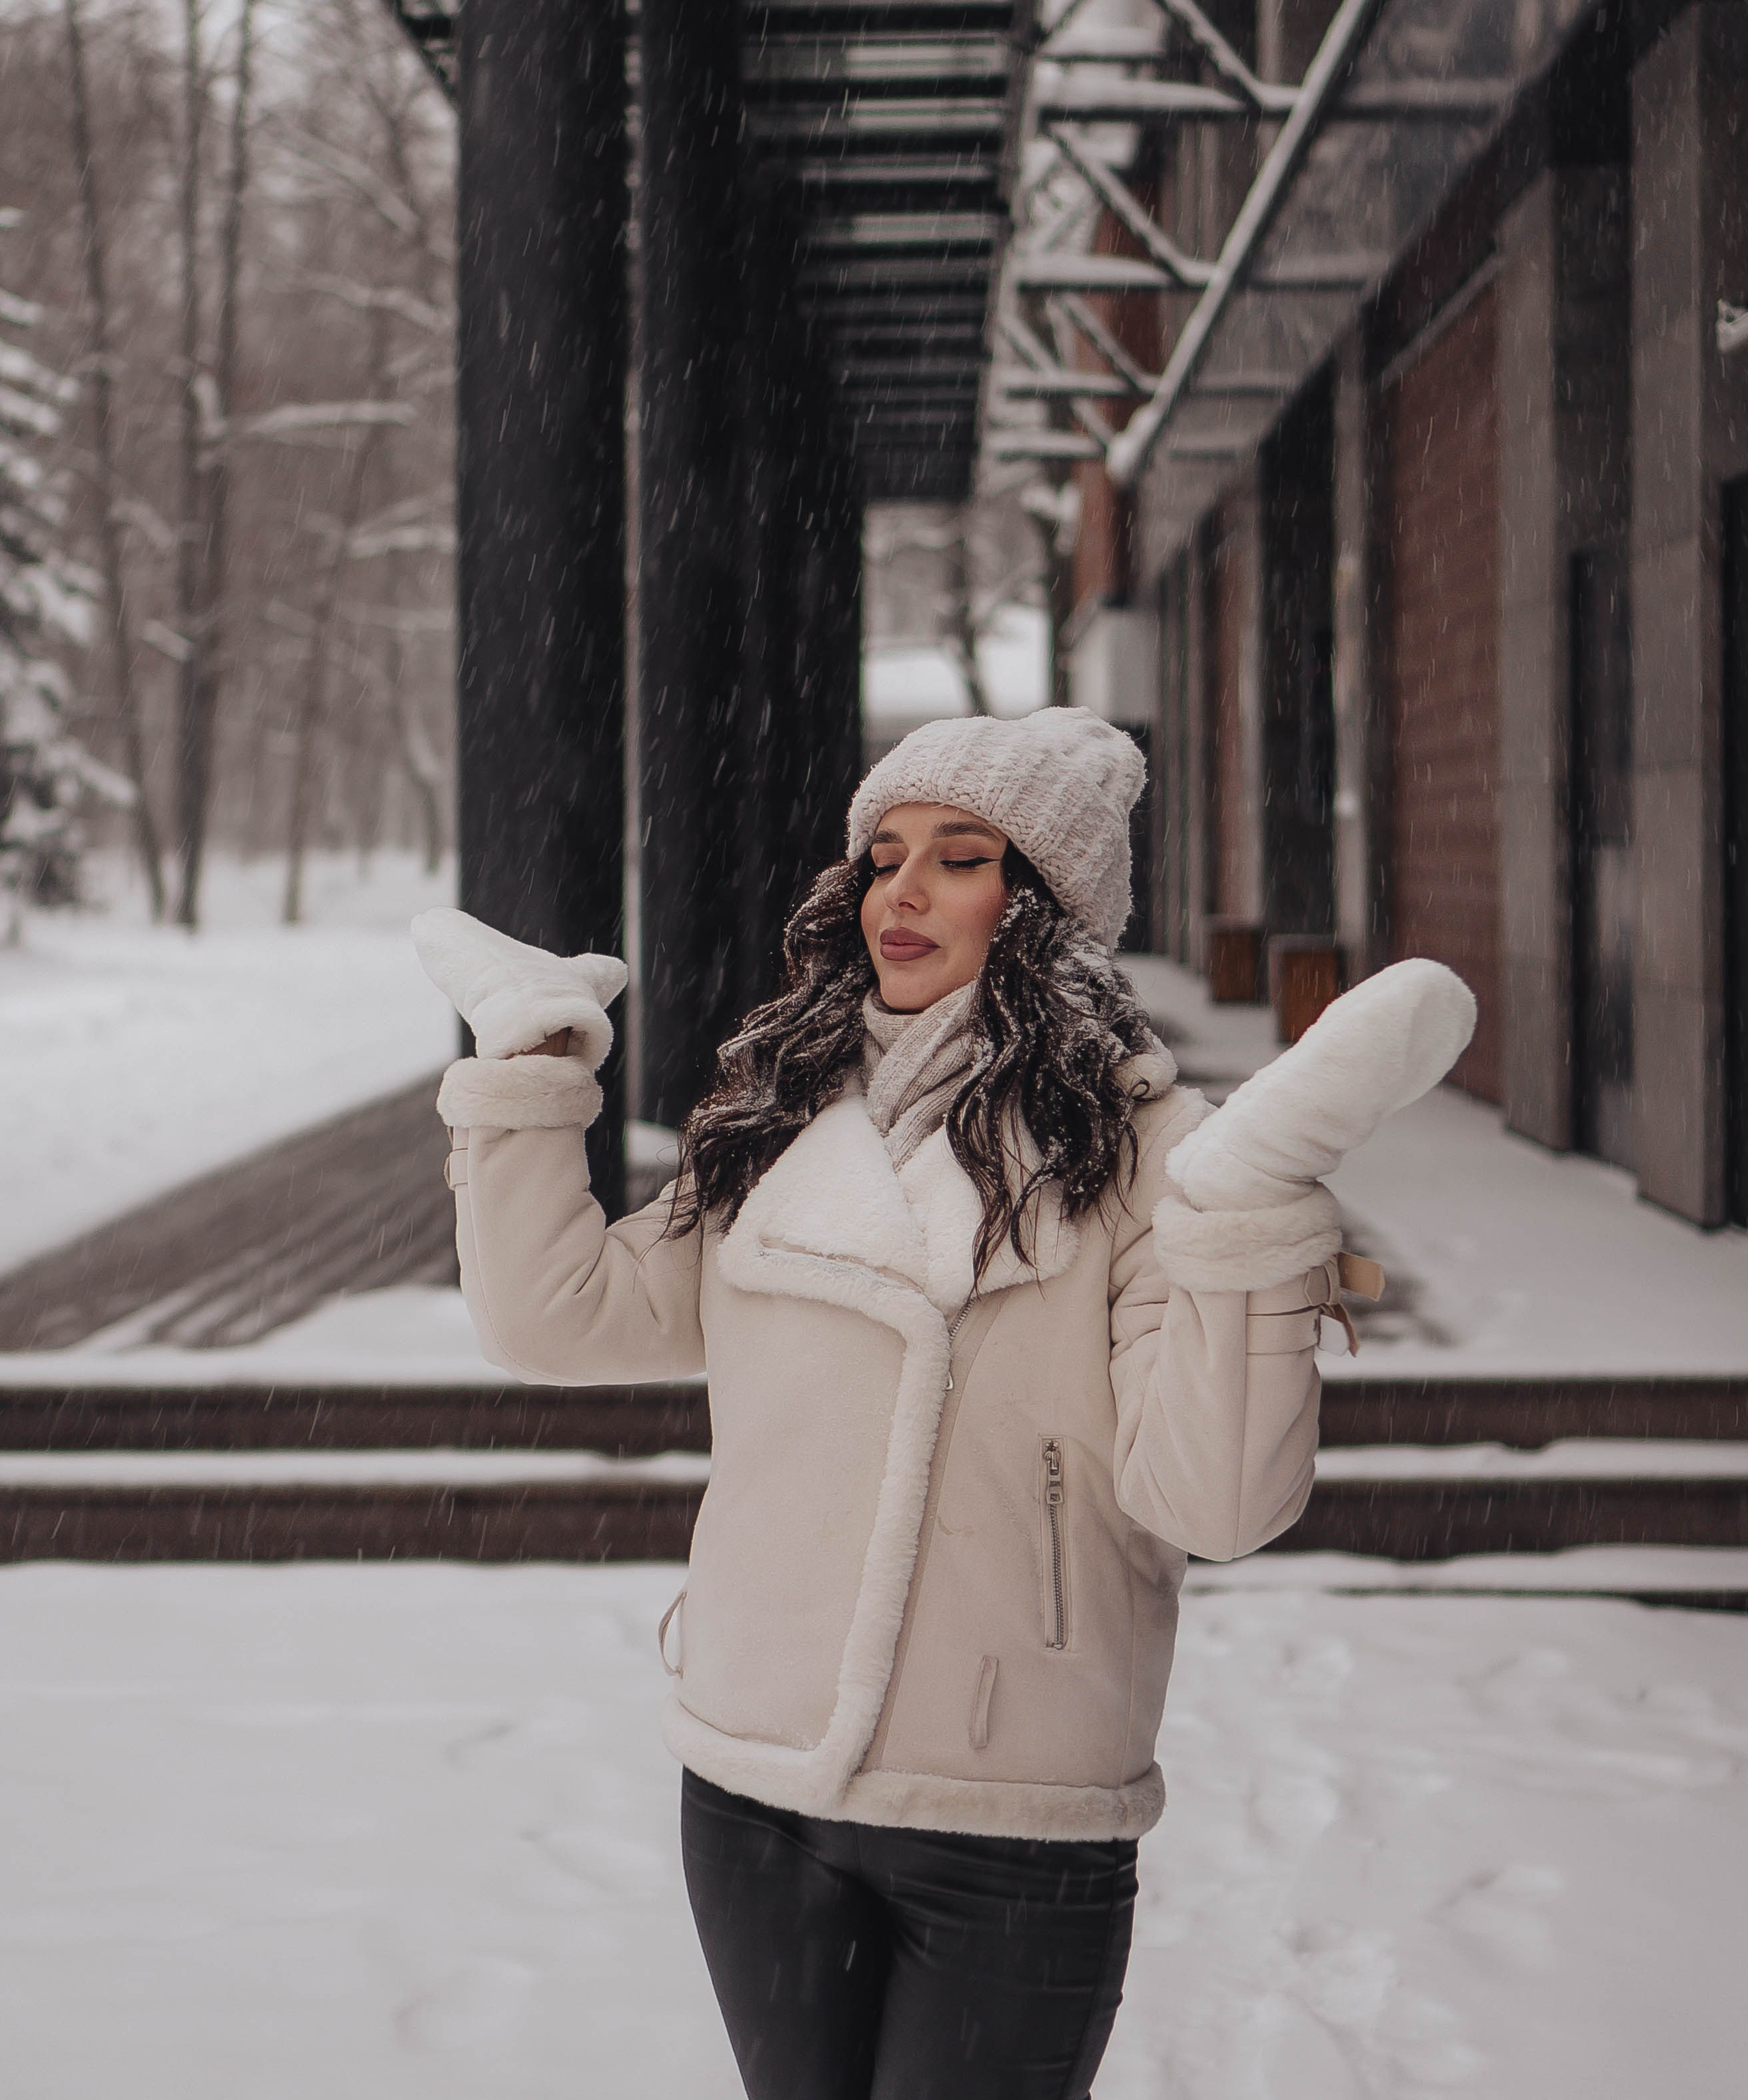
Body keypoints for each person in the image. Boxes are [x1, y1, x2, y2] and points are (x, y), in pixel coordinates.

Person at [414, 706, 1473, 2100]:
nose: (900, 893)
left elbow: (1210, 1501)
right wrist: (531, 1076)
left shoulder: (1148, 1150)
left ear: (1038, 907)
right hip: (753, 1777)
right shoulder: (780, 1112)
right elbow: (558, 1318)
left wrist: (1241, 1227)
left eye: (960, 857)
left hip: (1013, 1806)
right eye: (882, 856)